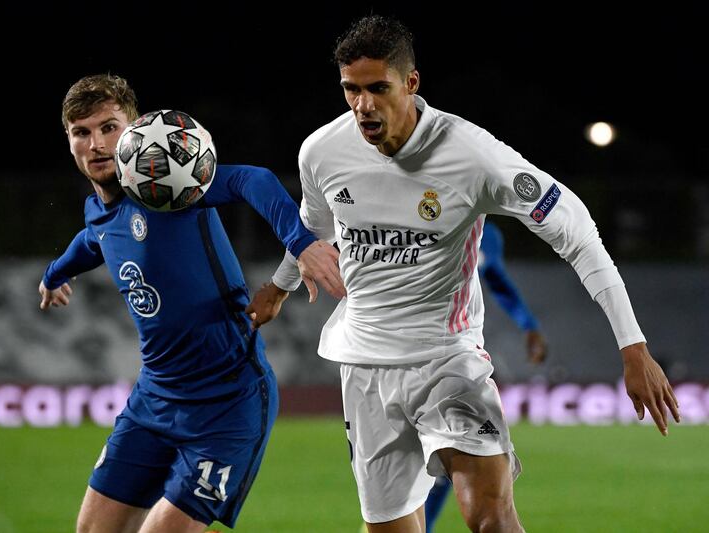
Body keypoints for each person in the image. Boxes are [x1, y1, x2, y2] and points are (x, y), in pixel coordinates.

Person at [247, 15, 680, 533]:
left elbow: (577, 231)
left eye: (377, 89)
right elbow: (310, 228)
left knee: (491, 519)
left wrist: (632, 346)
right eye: (351, 90)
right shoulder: (322, 152)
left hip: (448, 362)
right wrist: (279, 287)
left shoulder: (472, 156)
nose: (362, 105)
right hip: (364, 368)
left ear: (411, 83)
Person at [38, 74, 341, 533]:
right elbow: (92, 240)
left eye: (108, 127)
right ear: (69, 139)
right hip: (154, 399)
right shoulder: (98, 212)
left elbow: (251, 180)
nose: (96, 144)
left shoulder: (171, 188)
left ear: (135, 128)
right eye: (82, 132)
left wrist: (300, 244)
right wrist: (55, 274)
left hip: (227, 401)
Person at [424, 221, 547, 533]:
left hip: (455, 357)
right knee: (402, 473)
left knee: (448, 460)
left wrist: (528, 325)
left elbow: (497, 279)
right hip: (398, 354)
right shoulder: (420, 212)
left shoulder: (488, 235)